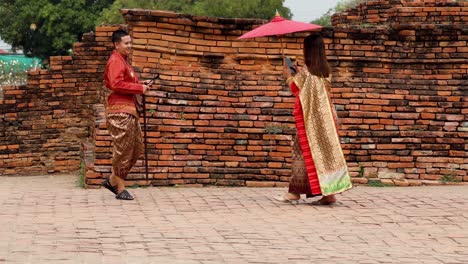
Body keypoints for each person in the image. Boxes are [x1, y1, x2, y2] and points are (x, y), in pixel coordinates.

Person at [276, 34, 352, 205]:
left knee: (302, 151)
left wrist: (288, 75)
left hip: (310, 120)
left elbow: (296, 89)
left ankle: (302, 193)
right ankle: (316, 193)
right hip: (326, 120)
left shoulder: (307, 73)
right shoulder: (325, 71)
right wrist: (296, 72)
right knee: (322, 155)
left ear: (308, 50)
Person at [101, 29, 153, 200]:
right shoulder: (115, 60)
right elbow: (116, 84)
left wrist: (141, 83)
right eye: (126, 43)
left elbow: (127, 82)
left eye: (131, 43)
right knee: (123, 150)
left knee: (136, 149)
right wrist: (139, 88)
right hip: (119, 111)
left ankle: (112, 180)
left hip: (129, 110)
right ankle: (120, 188)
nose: (130, 46)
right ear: (117, 45)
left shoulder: (124, 61)